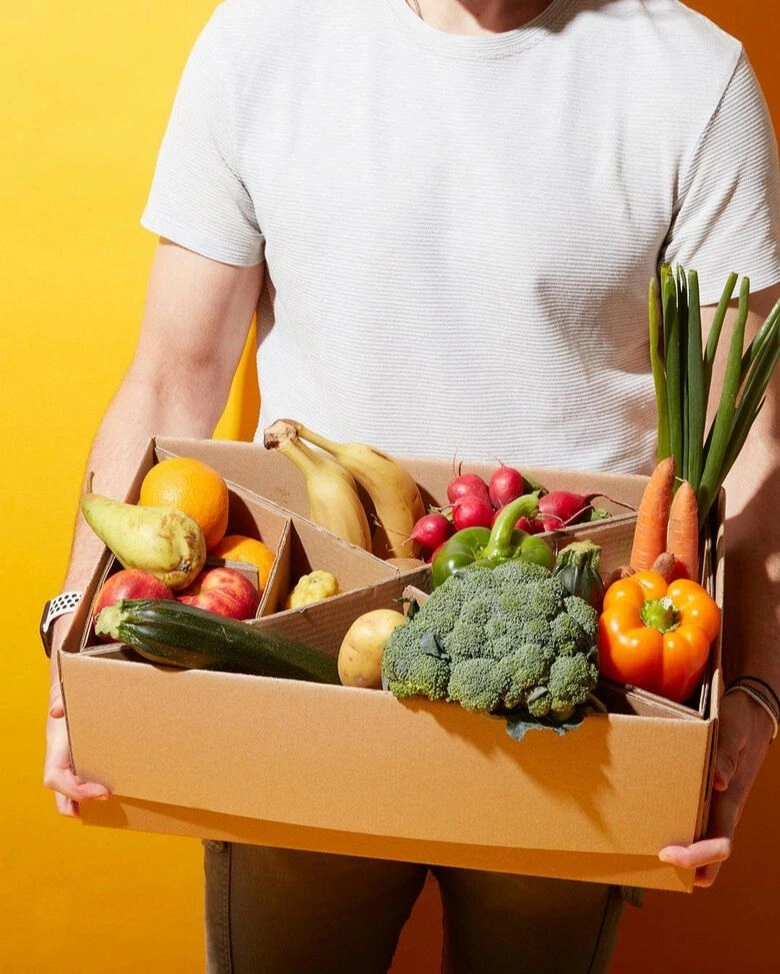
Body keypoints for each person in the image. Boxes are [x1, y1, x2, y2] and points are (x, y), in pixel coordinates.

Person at [43, 1, 779, 971]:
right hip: (297, 674)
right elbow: (171, 374)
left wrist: (755, 695)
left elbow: (751, 442)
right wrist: (77, 631)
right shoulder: (261, 39)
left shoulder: (694, 79)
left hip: (576, 695)